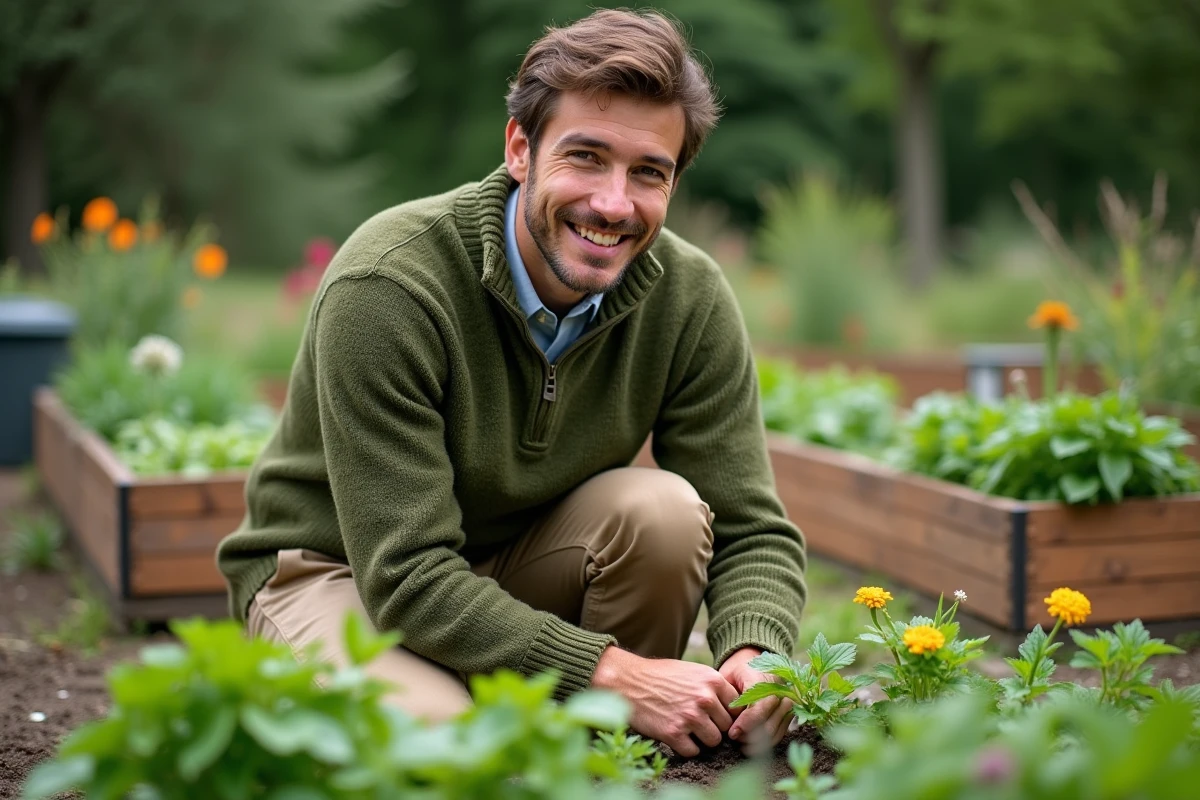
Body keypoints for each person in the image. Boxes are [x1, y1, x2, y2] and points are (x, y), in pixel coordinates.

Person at [216, 7, 807, 758]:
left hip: (511, 566)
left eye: (648, 173)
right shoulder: (391, 285)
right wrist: (610, 670)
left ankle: (599, 749)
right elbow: (405, 574)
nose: (614, 204)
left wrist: (757, 657)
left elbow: (751, 524)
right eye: (586, 157)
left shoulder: (688, 298)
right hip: (342, 574)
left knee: (663, 513)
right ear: (520, 150)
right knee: (443, 746)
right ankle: (531, 704)